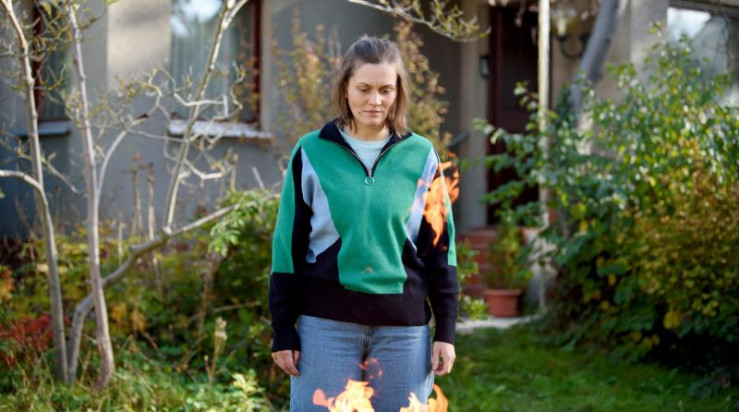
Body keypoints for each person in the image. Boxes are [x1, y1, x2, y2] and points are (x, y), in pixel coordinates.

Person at [269, 35, 458, 411]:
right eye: (364, 89)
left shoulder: (422, 156)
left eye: (386, 90)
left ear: (398, 92)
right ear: (346, 88)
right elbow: (287, 246)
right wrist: (283, 328)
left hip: (404, 333)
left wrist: (446, 331)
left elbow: (440, 247)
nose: (376, 100)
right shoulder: (311, 151)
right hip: (325, 328)